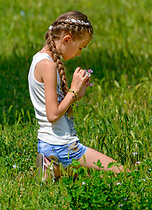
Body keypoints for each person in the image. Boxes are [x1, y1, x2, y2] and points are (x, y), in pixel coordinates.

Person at [28, 11, 124, 181]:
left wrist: (77, 94)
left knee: (89, 176)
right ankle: (52, 165)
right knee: (122, 172)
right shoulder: (47, 65)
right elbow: (52, 115)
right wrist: (72, 89)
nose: (79, 53)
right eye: (80, 47)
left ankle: (52, 168)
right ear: (66, 39)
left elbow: (55, 105)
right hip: (61, 144)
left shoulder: (40, 60)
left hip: (52, 143)